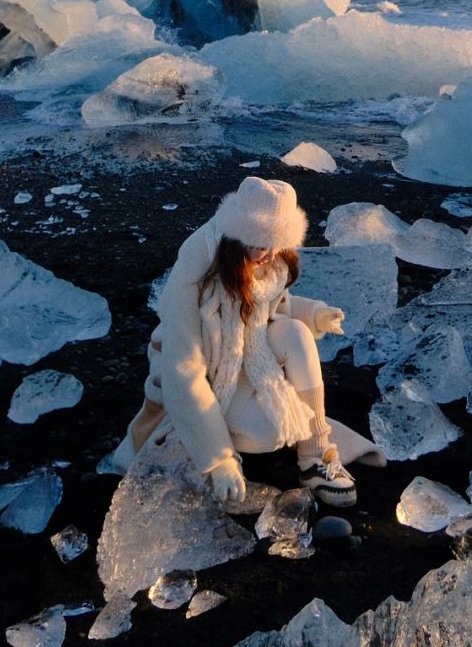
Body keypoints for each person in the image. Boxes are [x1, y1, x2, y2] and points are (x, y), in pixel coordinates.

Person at [121, 176, 369, 507]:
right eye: (259, 245)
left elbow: (274, 308)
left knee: (296, 332)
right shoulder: (196, 272)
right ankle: (220, 435)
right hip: (212, 372)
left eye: (275, 245)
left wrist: (316, 314)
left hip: (249, 357)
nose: (268, 256)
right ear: (236, 238)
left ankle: (316, 453)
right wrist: (220, 459)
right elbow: (184, 372)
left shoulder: (269, 261)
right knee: (270, 435)